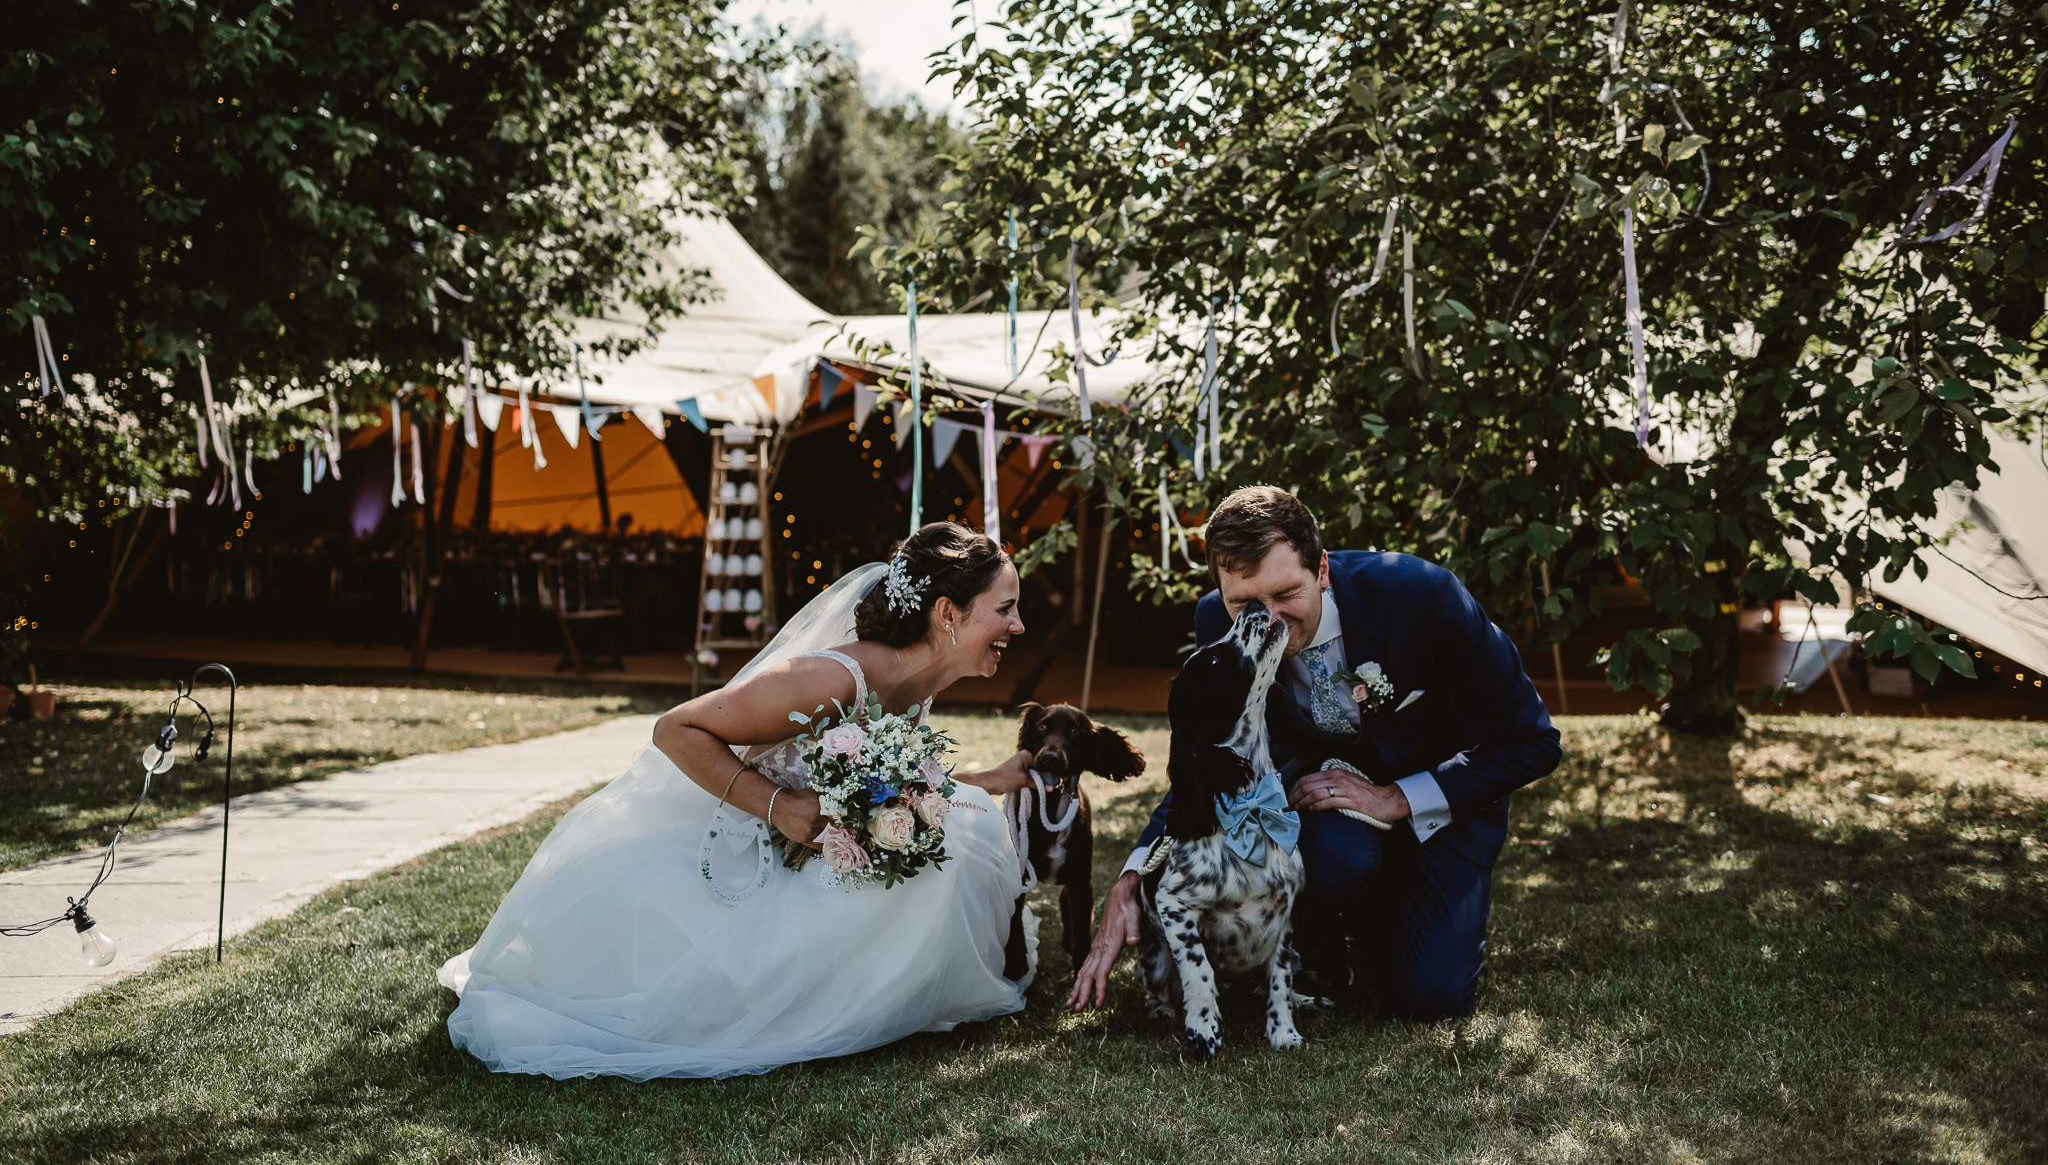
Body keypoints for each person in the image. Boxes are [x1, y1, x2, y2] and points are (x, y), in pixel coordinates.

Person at [439, 522, 1037, 1079]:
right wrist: (780, 807)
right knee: (946, 849)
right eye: (1005, 609)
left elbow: (903, 785)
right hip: (734, 841)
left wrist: (994, 778)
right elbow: (676, 729)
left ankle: (901, 991)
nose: (1018, 626)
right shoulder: (832, 679)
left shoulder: (919, 679)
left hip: (813, 848)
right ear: (947, 613)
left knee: (966, 823)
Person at [1068, 486, 1560, 1021]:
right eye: (1245, 604)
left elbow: (1532, 742)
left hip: (1440, 812)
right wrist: (1135, 873)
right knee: (1338, 859)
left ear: (1322, 569)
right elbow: (1207, 757)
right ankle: (1331, 928)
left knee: (1431, 998)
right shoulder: (1219, 623)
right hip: (1326, 820)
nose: (1270, 620)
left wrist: (1396, 798)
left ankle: (1379, 918)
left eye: (1286, 594)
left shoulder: (1424, 595)